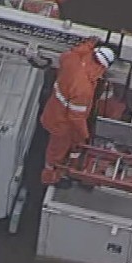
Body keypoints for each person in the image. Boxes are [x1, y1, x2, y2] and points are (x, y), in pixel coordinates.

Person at [39, 39, 114, 186]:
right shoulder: (83, 89)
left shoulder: (73, 60)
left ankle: (65, 169)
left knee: (62, 149)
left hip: (53, 112)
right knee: (57, 153)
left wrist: (90, 42)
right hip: (64, 125)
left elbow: (72, 53)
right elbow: (76, 118)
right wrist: (84, 136)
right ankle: (50, 177)